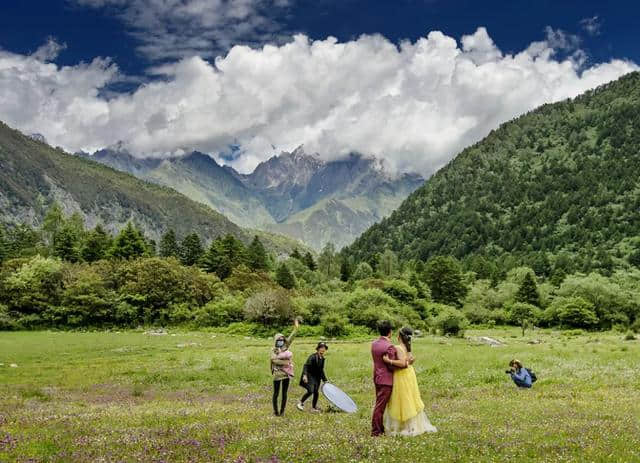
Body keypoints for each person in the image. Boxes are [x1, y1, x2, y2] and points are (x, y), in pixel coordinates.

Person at [382, 327, 437, 436]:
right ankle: (410, 424)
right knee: (409, 397)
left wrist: (389, 361)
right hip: (410, 374)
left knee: (402, 398)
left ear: (399, 337)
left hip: (401, 375)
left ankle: (405, 425)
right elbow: (410, 361)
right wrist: (408, 362)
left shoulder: (398, 347)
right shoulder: (408, 347)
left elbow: (402, 363)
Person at [371, 320, 413, 437]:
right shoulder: (389, 346)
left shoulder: (374, 344)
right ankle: (376, 431)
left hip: (377, 378)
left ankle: (380, 428)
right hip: (387, 380)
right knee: (380, 407)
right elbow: (393, 365)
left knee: (379, 405)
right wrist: (406, 363)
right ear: (390, 332)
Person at [270, 319, 299, 416]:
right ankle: (276, 411)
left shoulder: (286, 346)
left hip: (286, 374)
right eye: (279, 340)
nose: (280, 341)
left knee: (284, 393)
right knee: (276, 393)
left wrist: (296, 327)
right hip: (278, 374)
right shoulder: (273, 350)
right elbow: (273, 360)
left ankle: (282, 411)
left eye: (282, 340)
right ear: (275, 341)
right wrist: (286, 362)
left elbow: (292, 336)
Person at [297, 341, 329, 412]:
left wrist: (325, 380)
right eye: (321, 348)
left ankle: (314, 407)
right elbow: (306, 366)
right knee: (310, 390)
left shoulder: (322, 359)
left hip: (317, 377)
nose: (323, 349)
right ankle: (300, 403)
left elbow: (321, 370)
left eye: (324, 348)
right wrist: (305, 375)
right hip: (309, 375)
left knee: (316, 392)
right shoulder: (313, 357)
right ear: (318, 349)